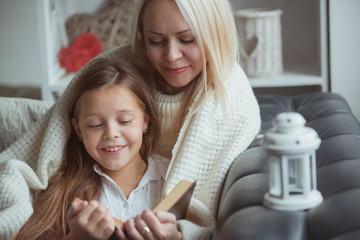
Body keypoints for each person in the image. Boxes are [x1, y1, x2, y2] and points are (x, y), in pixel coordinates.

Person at [0, 0, 261, 239]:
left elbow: (204, 213)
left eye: (188, 39)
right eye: (156, 41)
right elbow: (29, 160)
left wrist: (179, 235)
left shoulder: (231, 102)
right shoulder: (108, 71)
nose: (171, 55)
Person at [14, 57, 181, 240]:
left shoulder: (173, 176)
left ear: (145, 122)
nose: (111, 134)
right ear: (78, 130)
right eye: (94, 125)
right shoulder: (63, 189)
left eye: (124, 121)